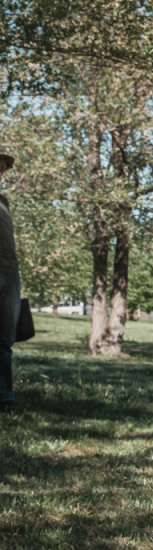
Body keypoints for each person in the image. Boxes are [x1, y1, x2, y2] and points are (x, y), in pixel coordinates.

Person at [0, 147, 18, 412]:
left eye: (1, 168)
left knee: (5, 338)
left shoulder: (3, 202)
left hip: (9, 273)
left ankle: (4, 396)